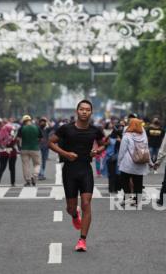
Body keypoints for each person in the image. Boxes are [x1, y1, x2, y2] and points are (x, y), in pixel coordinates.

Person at [48, 100, 106, 252]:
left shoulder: (95, 130)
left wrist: (97, 151)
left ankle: (82, 240)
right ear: (77, 111)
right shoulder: (66, 129)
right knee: (70, 207)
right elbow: (51, 142)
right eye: (82, 109)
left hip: (86, 170)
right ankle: (74, 215)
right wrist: (66, 154)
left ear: (91, 112)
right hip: (69, 171)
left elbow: (103, 143)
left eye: (87, 109)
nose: (84, 112)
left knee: (86, 203)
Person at [118, 118, 151, 207]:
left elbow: (122, 150)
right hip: (140, 163)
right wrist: (150, 162)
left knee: (124, 181)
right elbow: (146, 149)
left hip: (127, 163)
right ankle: (137, 201)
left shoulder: (127, 136)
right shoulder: (144, 135)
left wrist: (119, 161)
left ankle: (127, 198)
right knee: (138, 183)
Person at [17, 115, 42, 187]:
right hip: (35, 148)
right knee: (37, 164)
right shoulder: (37, 127)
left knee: (26, 165)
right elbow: (40, 138)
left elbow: (18, 139)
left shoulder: (22, 128)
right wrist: (37, 144)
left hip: (24, 149)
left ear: (23, 121)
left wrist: (19, 147)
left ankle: (28, 181)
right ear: (30, 120)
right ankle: (34, 176)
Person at [0, 123, 18, 187]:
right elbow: (15, 141)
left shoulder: (1, 134)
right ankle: (12, 183)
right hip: (12, 152)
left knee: (2, 168)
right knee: (12, 168)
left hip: (3, 151)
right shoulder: (12, 135)